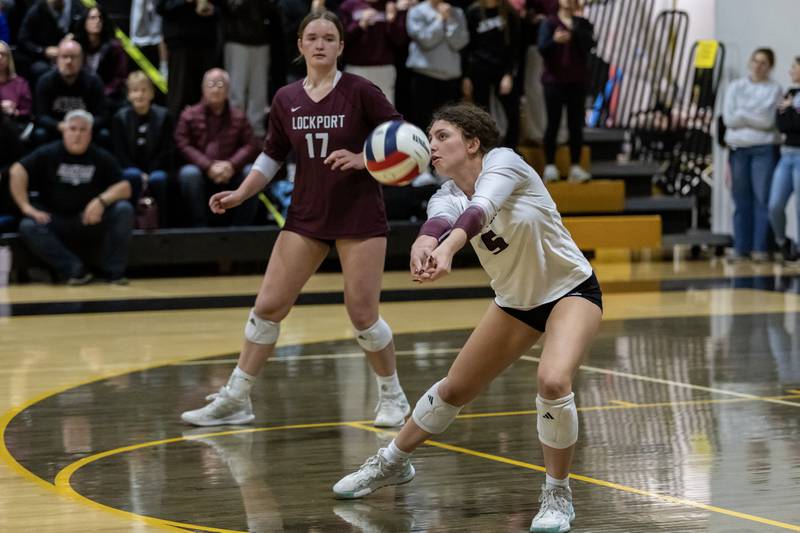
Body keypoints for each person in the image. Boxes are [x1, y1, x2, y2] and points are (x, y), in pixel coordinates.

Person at [332, 103, 603, 533]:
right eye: (430, 137)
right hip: (514, 302)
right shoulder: (445, 193)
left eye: (442, 136)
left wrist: (447, 248)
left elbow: (478, 211)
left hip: (570, 290)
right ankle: (391, 463)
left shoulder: (505, 163)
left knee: (552, 380)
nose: (432, 146)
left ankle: (557, 494)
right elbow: (439, 220)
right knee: (455, 388)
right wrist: (425, 245)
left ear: (473, 143)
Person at [180, 10, 411, 428]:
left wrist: (363, 159)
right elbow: (271, 156)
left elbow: (402, 138)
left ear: (341, 46)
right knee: (267, 307)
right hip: (306, 214)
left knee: (362, 313)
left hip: (358, 214)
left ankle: (393, 396)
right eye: (312, 37)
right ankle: (237, 398)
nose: (320, 44)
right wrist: (240, 193)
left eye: (328, 37)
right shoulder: (286, 99)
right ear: (300, 46)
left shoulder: (361, 91)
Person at [9, 109, 134, 284]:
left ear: (90, 134)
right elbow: (17, 170)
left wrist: (101, 201)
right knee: (28, 226)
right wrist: (25, 206)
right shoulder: (48, 153)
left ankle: (114, 273)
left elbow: (125, 187)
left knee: (123, 209)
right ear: (64, 131)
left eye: (83, 130)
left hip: (89, 220)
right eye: (73, 129)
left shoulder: (100, 156)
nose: (77, 135)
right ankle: (75, 270)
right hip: (55, 220)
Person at [174, 68, 259, 227]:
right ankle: (200, 228)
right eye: (211, 84)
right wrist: (208, 166)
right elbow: (182, 143)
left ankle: (242, 228)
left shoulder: (239, 115)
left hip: (231, 171)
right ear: (203, 88)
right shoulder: (189, 115)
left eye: (220, 84)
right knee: (188, 174)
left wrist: (231, 165)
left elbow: (251, 144)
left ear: (227, 90)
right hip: (201, 170)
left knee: (252, 172)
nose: (215, 88)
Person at [723, 47, 783, 263]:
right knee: (741, 199)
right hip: (738, 149)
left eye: (763, 63)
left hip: (764, 149)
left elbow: (768, 122)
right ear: (750, 62)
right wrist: (752, 116)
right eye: (755, 61)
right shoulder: (735, 87)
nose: (758, 66)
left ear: (770, 66)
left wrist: (742, 115)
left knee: (762, 198)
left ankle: (760, 248)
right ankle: (741, 248)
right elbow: (729, 119)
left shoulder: (774, 89)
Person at [538, 0, 594, 183]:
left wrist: (575, 31)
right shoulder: (549, 22)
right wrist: (555, 41)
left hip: (577, 81)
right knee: (552, 123)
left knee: (575, 125)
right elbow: (542, 47)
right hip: (554, 81)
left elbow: (589, 45)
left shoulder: (582, 23)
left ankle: (576, 166)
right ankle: (550, 165)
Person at [111, 71, 173, 227]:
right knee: (131, 176)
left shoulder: (164, 116)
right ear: (129, 95)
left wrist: (149, 172)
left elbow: (167, 150)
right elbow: (120, 152)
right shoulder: (120, 118)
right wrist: (139, 174)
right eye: (135, 90)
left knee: (158, 179)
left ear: (152, 93)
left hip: (157, 168)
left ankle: (163, 226)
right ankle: (129, 225)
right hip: (130, 167)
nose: (139, 95)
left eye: (144, 90)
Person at [462, 0, 521, 149]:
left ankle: (511, 152)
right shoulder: (473, 12)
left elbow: (515, 47)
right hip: (479, 70)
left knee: (513, 114)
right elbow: (467, 47)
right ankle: (487, 153)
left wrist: (509, 74)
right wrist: (467, 76)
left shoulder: (509, 12)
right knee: (482, 115)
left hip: (502, 70)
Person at [33, 39, 107, 146]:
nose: (68, 61)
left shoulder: (94, 82)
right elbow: (40, 115)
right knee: (40, 133)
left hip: (85, 129)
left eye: (73, 57)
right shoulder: (45, 81)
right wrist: (60, 126)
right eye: (64, 56)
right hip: (57, 128)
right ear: (57, 59)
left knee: (104, 134)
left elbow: (102, 116)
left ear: (81, 60)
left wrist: (81, 127)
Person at [767, 55, 800, 264]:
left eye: (794, 67)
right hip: (786, 153)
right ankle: (782, 241)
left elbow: (794, 122)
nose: (791, 71)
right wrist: (791, 113)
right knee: (775, 204)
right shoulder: (790, 93)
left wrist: (791, 113)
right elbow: (781, 123)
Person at [73, 5, 128, 111]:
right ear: (84, 21)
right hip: (80, 95)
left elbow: (120, 78)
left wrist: (103, 93)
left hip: (107, 96)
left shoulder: (114, 47)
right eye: (92, 18)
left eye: (100, 18)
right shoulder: (76, 46)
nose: (97, 21)